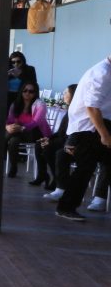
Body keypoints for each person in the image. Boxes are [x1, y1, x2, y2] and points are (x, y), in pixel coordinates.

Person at [55, 54, 111, 222]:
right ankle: (66, 207)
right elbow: (92, 107)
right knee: (85, 169)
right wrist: (105, 135)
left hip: (93, 127)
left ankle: (75, 204)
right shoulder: (102, 73)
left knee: (91, 167)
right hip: (89, 129)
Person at [4, 84, 50, 178]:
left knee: (11, 135)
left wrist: (21, 128)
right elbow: (9, 120)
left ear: (35, 93)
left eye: (31, 91)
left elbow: (36, 122)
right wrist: (7, 127)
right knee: (13, 140)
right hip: (19, 133)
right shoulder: (15, 104)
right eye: (25, 90)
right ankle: (13, 167)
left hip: (35, 133)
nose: (27, 93)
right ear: (21, 91)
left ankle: (1, 148)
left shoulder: (40, 105)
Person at [35, 84, 75, 190]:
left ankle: (57, 178)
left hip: (70, 143)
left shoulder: (76, 111)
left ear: (73, 95)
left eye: (66, 93)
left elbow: (69, 135)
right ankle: (42, 175)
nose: (63, 95)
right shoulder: (70, 109)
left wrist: (51, 142)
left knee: (47, 149)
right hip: (61, 139)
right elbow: (60, 131)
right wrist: (49, 138)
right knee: (39, 144)